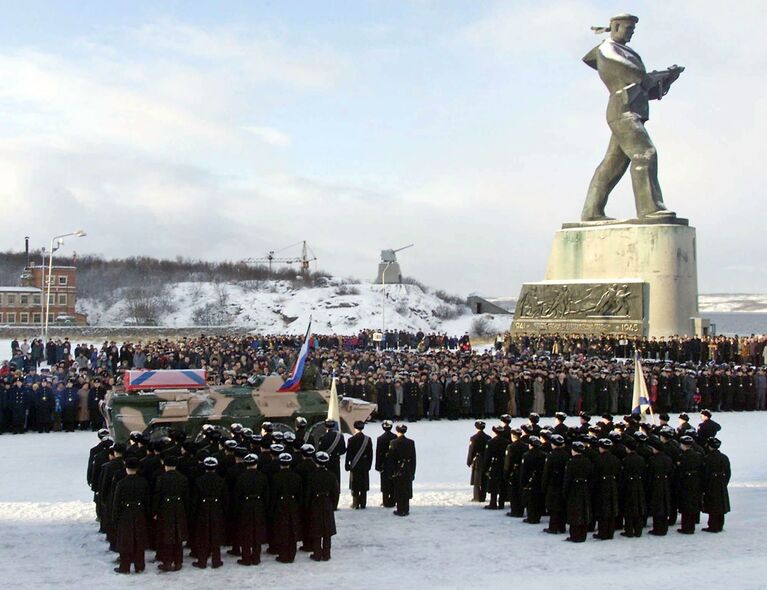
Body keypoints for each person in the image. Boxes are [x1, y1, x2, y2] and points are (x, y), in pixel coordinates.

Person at [112, 456, 149, 574]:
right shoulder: (143, 482)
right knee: (139, 539)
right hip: (139, 511)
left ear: (126, 468)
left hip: (125, 513)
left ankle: (125, 566)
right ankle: (140, 566)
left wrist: (115, 517)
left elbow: (116, 502)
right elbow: (147, 499)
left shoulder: (121, 483)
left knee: (126, 540)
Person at [152, 454, 189, 572]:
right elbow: (186, 496)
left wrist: (155, 511)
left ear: (165, 465)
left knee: (166, 535)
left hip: (165, 507)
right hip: (179, 507)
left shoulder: (161, 478)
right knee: (178, 535)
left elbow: (157, 495)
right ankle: (178, 561)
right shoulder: (183, 478)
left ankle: (167, 561)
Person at [191, 456, 228, 569]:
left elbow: (194, 499)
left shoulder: (198, 480)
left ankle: (202, 561)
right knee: (215, 534)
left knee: (203, 535)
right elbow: (225, 498)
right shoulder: (221, 480)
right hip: (217, 509)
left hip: (203, 508)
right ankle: (216, 561)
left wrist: (193, 513)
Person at [233, 453, 269, 565]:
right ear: (256, 464)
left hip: (245, 505)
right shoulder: (262, 476)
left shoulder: (241, 477)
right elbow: (266, 495)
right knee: (257, 532)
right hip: (258, 505)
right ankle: (256, 557)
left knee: (246, 532)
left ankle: (246, 557)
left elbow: (237, 495)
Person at [305, 451, 339, 561]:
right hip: (327, 502)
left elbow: (308, 493)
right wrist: (333, 505)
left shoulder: (311, 476)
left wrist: (307, 505)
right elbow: (335, 493)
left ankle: (317, 553)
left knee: (317, 529)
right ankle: (326, 553)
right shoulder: (332, 476)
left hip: (315, 503)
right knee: (327, 530)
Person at [270, 452, 303, 563]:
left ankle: (283, 555)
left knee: (282, 530)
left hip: (281, 504)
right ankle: (291, 554)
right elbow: (300, 494)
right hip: (293, 504)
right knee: (292, 529)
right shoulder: (296, 477)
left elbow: (273, 494)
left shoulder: (275, 477)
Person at [563, 441, 593, 542]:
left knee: (574, 512)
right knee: (584, 511)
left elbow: (567, 478)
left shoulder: (571, 462)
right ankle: (582, 534)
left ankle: (574, 535)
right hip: (585, 487)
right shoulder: (587, 461)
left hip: (574, 489)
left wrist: (565, 492)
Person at [592, 438, 621, 540]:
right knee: (611, 509)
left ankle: (602, 532)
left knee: (602, 510)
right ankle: (610, 532)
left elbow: (595, 474)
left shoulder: (598, 459)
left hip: (601, 485)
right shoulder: (615, 459)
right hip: (612, 484)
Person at [386, 424, 416, 516]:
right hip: (407, 469)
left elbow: (391, 459)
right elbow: (413, 459)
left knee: (398, 489)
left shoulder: (393, 442)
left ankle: (400, 509)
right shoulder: (411, 442)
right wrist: (412, 472)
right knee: (406, 489)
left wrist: (390, 471)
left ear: (397, 431)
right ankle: (406, 509)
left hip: (397, 469)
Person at [675, 435, 703, 534]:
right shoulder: (698, 455)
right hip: (695, 482)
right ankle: (691, 525)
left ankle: (686, 527)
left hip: (685, 482)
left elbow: (680, 471)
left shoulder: (683, 457)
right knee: (692, 503)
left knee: (686, 505)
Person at [702, 437, 730, 533]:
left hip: (712, 483)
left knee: (713, 505)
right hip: (721, 483)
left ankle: (713, 526)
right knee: (721, 504)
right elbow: (728, 473)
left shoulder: (708, 458)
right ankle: (720, 524)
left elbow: (705, 473)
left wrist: (704, 486)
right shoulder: (724, 457)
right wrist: (724, 483)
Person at [542, 434, 568, 534]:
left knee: (553, 506)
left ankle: (553, 527)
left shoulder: (551, 455)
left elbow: (547, 472)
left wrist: (544, 485)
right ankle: (561, 526)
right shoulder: (566, 454)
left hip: (553, 484)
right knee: (561, 506)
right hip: (562, 482)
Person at [317, 419, 346, 510]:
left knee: (327, 482)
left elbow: (320, 451)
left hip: (327, 462)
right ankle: (335, 504)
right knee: (336, 482)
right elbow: (343, 450)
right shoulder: (340, 436)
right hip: (336, 461)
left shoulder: (323, 437)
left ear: (326, 426)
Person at [646, 437, 673, 535]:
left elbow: (649, 474)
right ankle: (664, 527)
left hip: (656, 484)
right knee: (664, 505)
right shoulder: (668, 459)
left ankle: (657, 528)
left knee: (657, 506)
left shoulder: (652, 459)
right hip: (665, 484)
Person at [345, 420, 373, 509]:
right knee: (364, 484)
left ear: (355, 428)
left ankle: (355, 503)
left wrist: (347, 464)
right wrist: (369, 465)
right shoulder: (368, 439)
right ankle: (363, 503)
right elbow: (370, 454)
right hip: (364, 464)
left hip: (355, 464)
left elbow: (348, 454)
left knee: (355, 484)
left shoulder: (351, 439)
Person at [519, 436, 546, 523]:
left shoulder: (526, 455)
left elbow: (524, 470)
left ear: (530, 445)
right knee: (538, 499)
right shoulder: (544, 455)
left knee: (530, 500)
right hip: (540, 479)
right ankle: (537, 516)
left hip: (530, 480)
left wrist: (523, 482)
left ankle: (531, 517)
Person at [483, 424, 509, 510]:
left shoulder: (490, 442)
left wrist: (486, 468)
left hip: (494, 464)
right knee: (502, 484)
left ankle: (493, 503)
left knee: (493, 484)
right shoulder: (507, 442)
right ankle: (501, 503)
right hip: (503, 464)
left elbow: (487, 457)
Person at [467, 420, 490, 502]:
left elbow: (471, 450)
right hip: (485, 459)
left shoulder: (473, 438)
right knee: (484, 478)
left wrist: (469, 461)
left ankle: (477, 497)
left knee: (476, 479)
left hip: (477, 460)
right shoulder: (488, 438)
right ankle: (483, 496)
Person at [375, 420, 397, 508]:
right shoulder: (395, 437)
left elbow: (378, 453)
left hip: (384, 464)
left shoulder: (380, 438)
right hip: (393, 463)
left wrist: (378, 466)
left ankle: (385, 501)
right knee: (393, 482)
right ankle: (392, 500)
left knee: (384, 483)